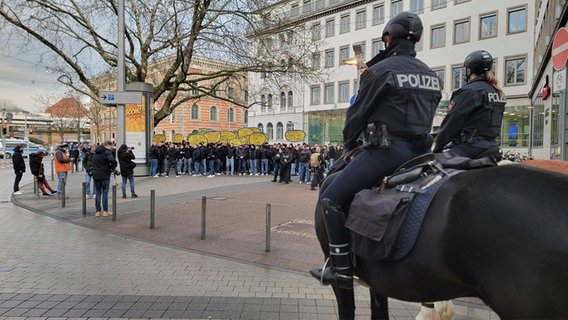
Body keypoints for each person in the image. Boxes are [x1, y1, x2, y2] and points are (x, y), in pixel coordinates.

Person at [309, 12, 442, 289]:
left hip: (387, 153)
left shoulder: (379, 71)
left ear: (388, 38)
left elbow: (356, 118)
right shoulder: (431, 75)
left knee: (330, 198)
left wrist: (349, 144)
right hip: (422, 155)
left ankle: (340, 268)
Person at [433, 50, 506, 159]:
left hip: (470, 148)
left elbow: (452, 121)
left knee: (434, 168)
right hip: (492, 146)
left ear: (468, 70)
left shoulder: (468, 91)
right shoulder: (497, 92)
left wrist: (438, 147)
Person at [91, 140, 117, 217]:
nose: (111, 148)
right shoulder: (107, 152)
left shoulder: (96, 152)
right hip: (104, 174)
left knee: (98, 192)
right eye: (111, 146)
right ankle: (105, 211)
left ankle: (97, 211)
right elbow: (113, 161)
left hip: (96, 175)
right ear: (107, 145)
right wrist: (112, 167)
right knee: (105, 192)